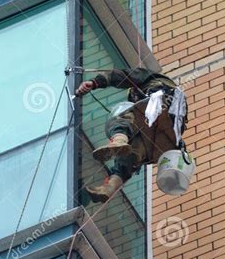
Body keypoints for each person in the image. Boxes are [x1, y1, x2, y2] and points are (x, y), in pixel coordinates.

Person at [76, 68, 187, 201]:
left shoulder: (149, 78)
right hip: (166, 138)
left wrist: (95, 82)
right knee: (131, 154)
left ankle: (119, 139)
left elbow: (121, 76)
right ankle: (111, 185)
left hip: (161, 100)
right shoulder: (146, 115)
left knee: (120, 118)